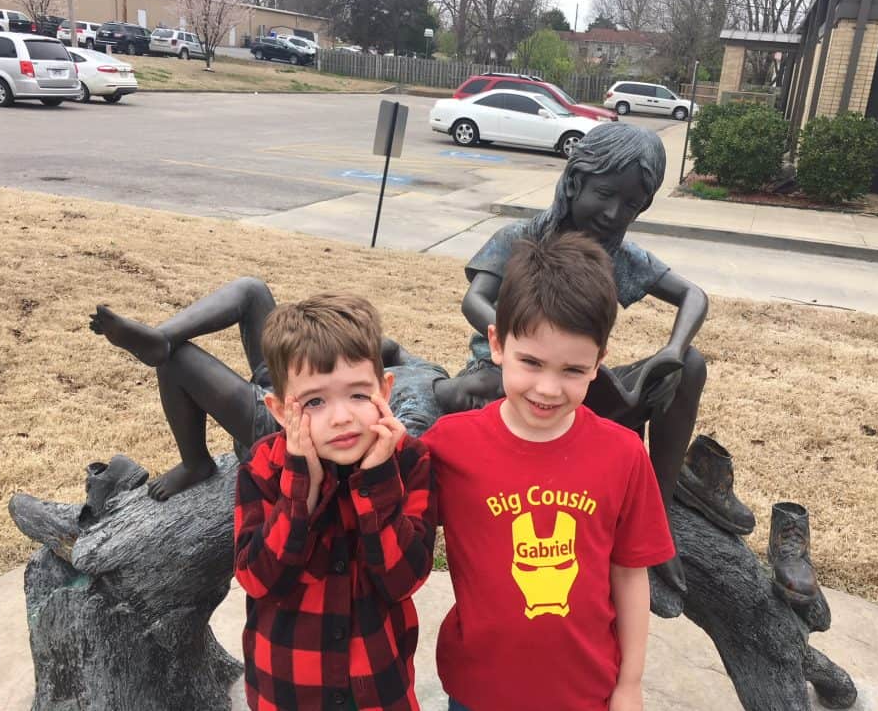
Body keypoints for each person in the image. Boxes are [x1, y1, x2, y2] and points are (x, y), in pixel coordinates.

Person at [424, 232, 674, 711]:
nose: (548, 387)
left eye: (572, 371)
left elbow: (630, 574)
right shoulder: (449, 446)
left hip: (585, 691)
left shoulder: (623, 455)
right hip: (478, 690)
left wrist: (630, 683)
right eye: (531, 362)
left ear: (599, 362)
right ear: (497, 344)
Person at [457, 121, 709, 593]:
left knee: (691, 366)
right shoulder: (521, 237)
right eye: (606, 194)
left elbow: (694, 296)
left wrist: (672, 350)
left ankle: (659, 511)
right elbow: (474, 300)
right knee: (492, 387)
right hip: (506, 377)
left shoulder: (618, 255)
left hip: (577, 386)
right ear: (574, 181)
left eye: (631, 205)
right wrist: (521, 349)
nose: (615, 214)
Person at [89, 278, 498, 501]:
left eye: (487, 408)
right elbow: (389, 348)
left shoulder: (422, 423)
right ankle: (162, 335)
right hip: (301, 379)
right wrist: (339, 352)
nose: (482, 401)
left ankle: (195, 462)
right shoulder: (429, 369)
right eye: (488, 389)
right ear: (480, 365)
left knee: (178, 362)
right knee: (251, 291)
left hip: (284, 426)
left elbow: (377, 450)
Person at [233, 293, 437, 711]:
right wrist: (301, 490)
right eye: (314, 402)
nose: (341, 417)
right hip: (287, 691)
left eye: (359, 395)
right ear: (278, 409)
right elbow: (258, 580)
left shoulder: (410, 461)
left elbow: (404, 580)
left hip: (380, 691)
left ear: (385, 389)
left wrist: (378, 480)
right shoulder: (264, 468)